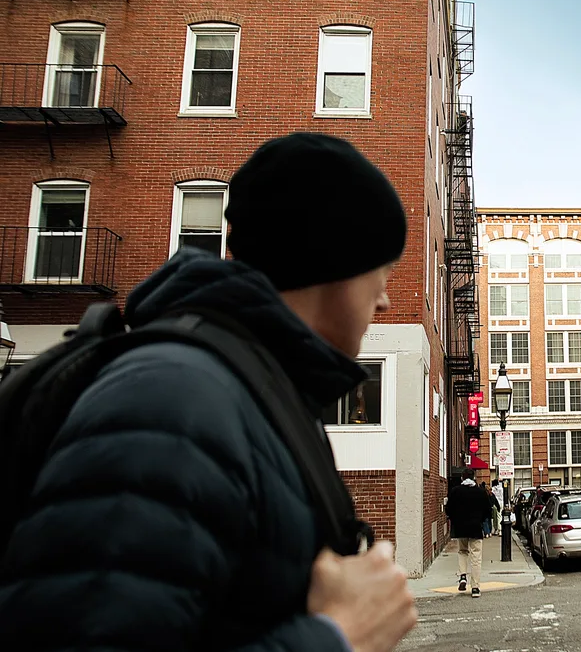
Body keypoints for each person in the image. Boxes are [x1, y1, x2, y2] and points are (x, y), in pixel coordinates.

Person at [0, 133, 417, 651]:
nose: (384, 300)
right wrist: (339, 635)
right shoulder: (173, 400)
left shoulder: (251, 390)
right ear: (333, 262)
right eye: (381, 270)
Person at [445, 469, 499, 597]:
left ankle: (462, 576)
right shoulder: (480, 492)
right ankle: (475, 587)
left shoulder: (455, 491)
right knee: (476, 557)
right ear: (473, 478)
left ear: (463, 478)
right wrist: (480, 521)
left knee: (462, 552)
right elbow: (488, 510)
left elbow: (449, 510)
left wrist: (455, 519)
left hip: (460, 528)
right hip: (475, 528)